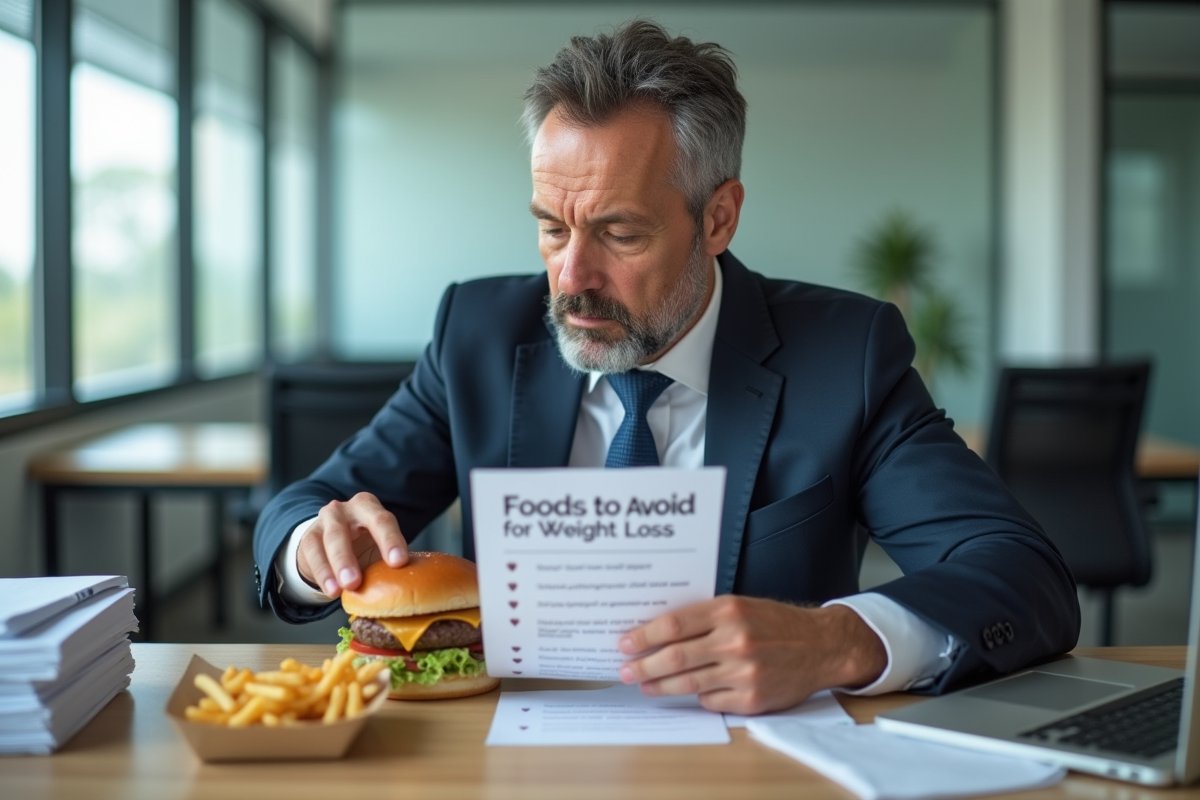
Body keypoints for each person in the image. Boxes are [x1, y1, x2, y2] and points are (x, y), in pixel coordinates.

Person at [254, 20, 1079, 715]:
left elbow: (1022, 575)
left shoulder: (847, 355)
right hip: (508, 759)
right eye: (551, 227)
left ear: (717, 217)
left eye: (619, 234)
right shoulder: (475, 331)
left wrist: (836, 641)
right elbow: (301, 508)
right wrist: (309, 546)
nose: (571, 277)